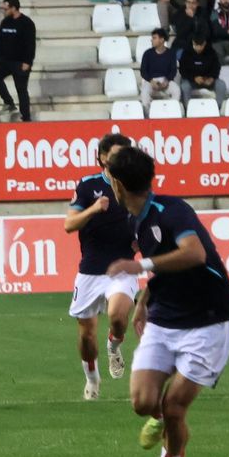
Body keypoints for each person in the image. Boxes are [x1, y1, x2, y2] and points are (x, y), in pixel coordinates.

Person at [103, 144, 229, 457]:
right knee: (143, 403)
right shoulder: (135, 219)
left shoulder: (172, 210)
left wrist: (140, 266)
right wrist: (145, 297)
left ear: (118, 184)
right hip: (165, 318)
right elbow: (165, 263)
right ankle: (160, 418)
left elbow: (194, 254)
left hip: (207, 321)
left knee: (175, 406)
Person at [63, 133, 138, 401]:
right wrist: (94, 209)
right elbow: (69, 225)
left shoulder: (135, 186)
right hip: (90, 271)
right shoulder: (88, 186)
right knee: (86, 336)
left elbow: (145, 220)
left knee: (118, 315)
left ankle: (113, 346)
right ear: (103, 157)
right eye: (116, 155)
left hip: (122, 268)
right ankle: (92, 379)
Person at [0, 0, 36, 122]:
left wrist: (28, 62)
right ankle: (9, 102)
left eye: (6, 9)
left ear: (14, 8)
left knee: (21, 89)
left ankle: (26, 117)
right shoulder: (5, 22)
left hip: (20, 62)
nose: (4, 11)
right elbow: (0, 41)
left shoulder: (27, 23)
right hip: (5, 61)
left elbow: (30, 44)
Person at [138, 28, 178, 110]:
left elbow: (173, 70)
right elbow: (143, 71)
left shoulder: (171, 53)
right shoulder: (147, 53)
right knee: (144, 93)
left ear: (162, 39)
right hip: (151, 80)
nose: (151, 40)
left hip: (166, 80)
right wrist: (151, 81)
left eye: (154, 38)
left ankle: (171, 111)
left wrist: (167, 80)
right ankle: (148, 113)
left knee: (177, 91)